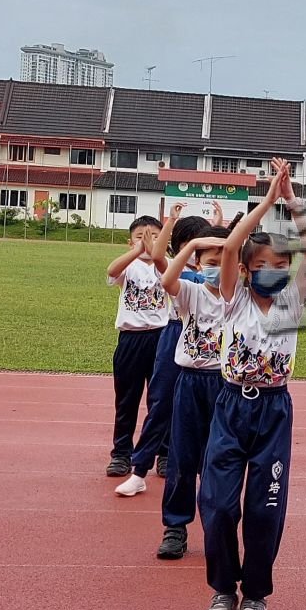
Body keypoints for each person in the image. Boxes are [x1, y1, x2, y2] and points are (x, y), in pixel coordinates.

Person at [200, 158, 306, 610]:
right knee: (221, 505)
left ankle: (255, 596)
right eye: (262, 264)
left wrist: (290, 201)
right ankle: (223, 589)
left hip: (273, 412)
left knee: (264, 509)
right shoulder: (233, 299)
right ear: (247, 271)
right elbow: (229, 245)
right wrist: (266, 200)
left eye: (281, 265)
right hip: (230, 406)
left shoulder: (292, 302)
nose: (273, 271)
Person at [120, 204, 215, 489]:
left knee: (208, 412)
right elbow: (160, 256)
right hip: (175, 334)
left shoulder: (219, 275)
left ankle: (205, 472)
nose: (196, 251)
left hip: (210, 344)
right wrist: (172, 221)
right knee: (160, 403)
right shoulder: (177, 274)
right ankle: (139, 471)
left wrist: (220, 233)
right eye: (189, 244)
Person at [152, 227, 230, 559]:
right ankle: (176, 528)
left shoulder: (238, 298)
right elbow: (167, 279)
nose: (217, 268)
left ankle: (218, 527)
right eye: (211, 262)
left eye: (224, 262)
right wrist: (195, 244)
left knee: (220, 459)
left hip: (225, 387)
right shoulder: (190, 293)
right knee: (182, 458)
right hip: (189, 382)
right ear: (198, 265)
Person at [106, 214, 171, 483]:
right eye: (140, 237)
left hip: (161, 338)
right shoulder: (129, 267)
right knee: (126, 400)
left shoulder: (164, 266)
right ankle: (121, 453)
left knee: (162, 401)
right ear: (129, 241)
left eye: (154, 236)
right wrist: (137, 251)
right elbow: (112, 271)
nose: (147, 241)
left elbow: (169, 271)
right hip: (131, 339)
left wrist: (156, 251)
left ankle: (164, 455)